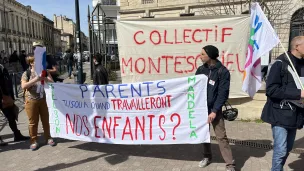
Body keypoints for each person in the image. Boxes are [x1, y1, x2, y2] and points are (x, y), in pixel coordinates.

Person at [261, 36, 304, 171]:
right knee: (280, 150)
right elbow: (272, 90)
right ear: (297, 47)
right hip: (279, 113)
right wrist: (299, 93)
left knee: (288, 148)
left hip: (296, 114)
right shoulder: (280, 63)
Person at [195, 45, 235, 171]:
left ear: (210, 56)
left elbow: (223, 94)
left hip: (215, 111)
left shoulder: (222, 72)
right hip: (202, 109)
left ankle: (230, 165)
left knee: (221, 137)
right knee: (204, 135)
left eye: (202, 54)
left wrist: (214, 111)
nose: (200, 56)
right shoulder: (201, 70)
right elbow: (194, 87)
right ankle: (207, 157)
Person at [21, 54, 56, 151]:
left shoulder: (44, 71)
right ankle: (34, 141)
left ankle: (48, 138)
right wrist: (36, 79)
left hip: (43, 99)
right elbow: (24, 86)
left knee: (46, 120)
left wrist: (44, 77)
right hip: (31, 100)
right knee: (33, 122)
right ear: (31, 63)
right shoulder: (26, 73)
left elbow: (52, 83)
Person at [0, 64, 29, 142]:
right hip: (3, 96)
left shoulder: (1, 67)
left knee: (11, 116)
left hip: (6, 96)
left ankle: (17, 135)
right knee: (10, 116)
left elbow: (7, 83)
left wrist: (10, 96)